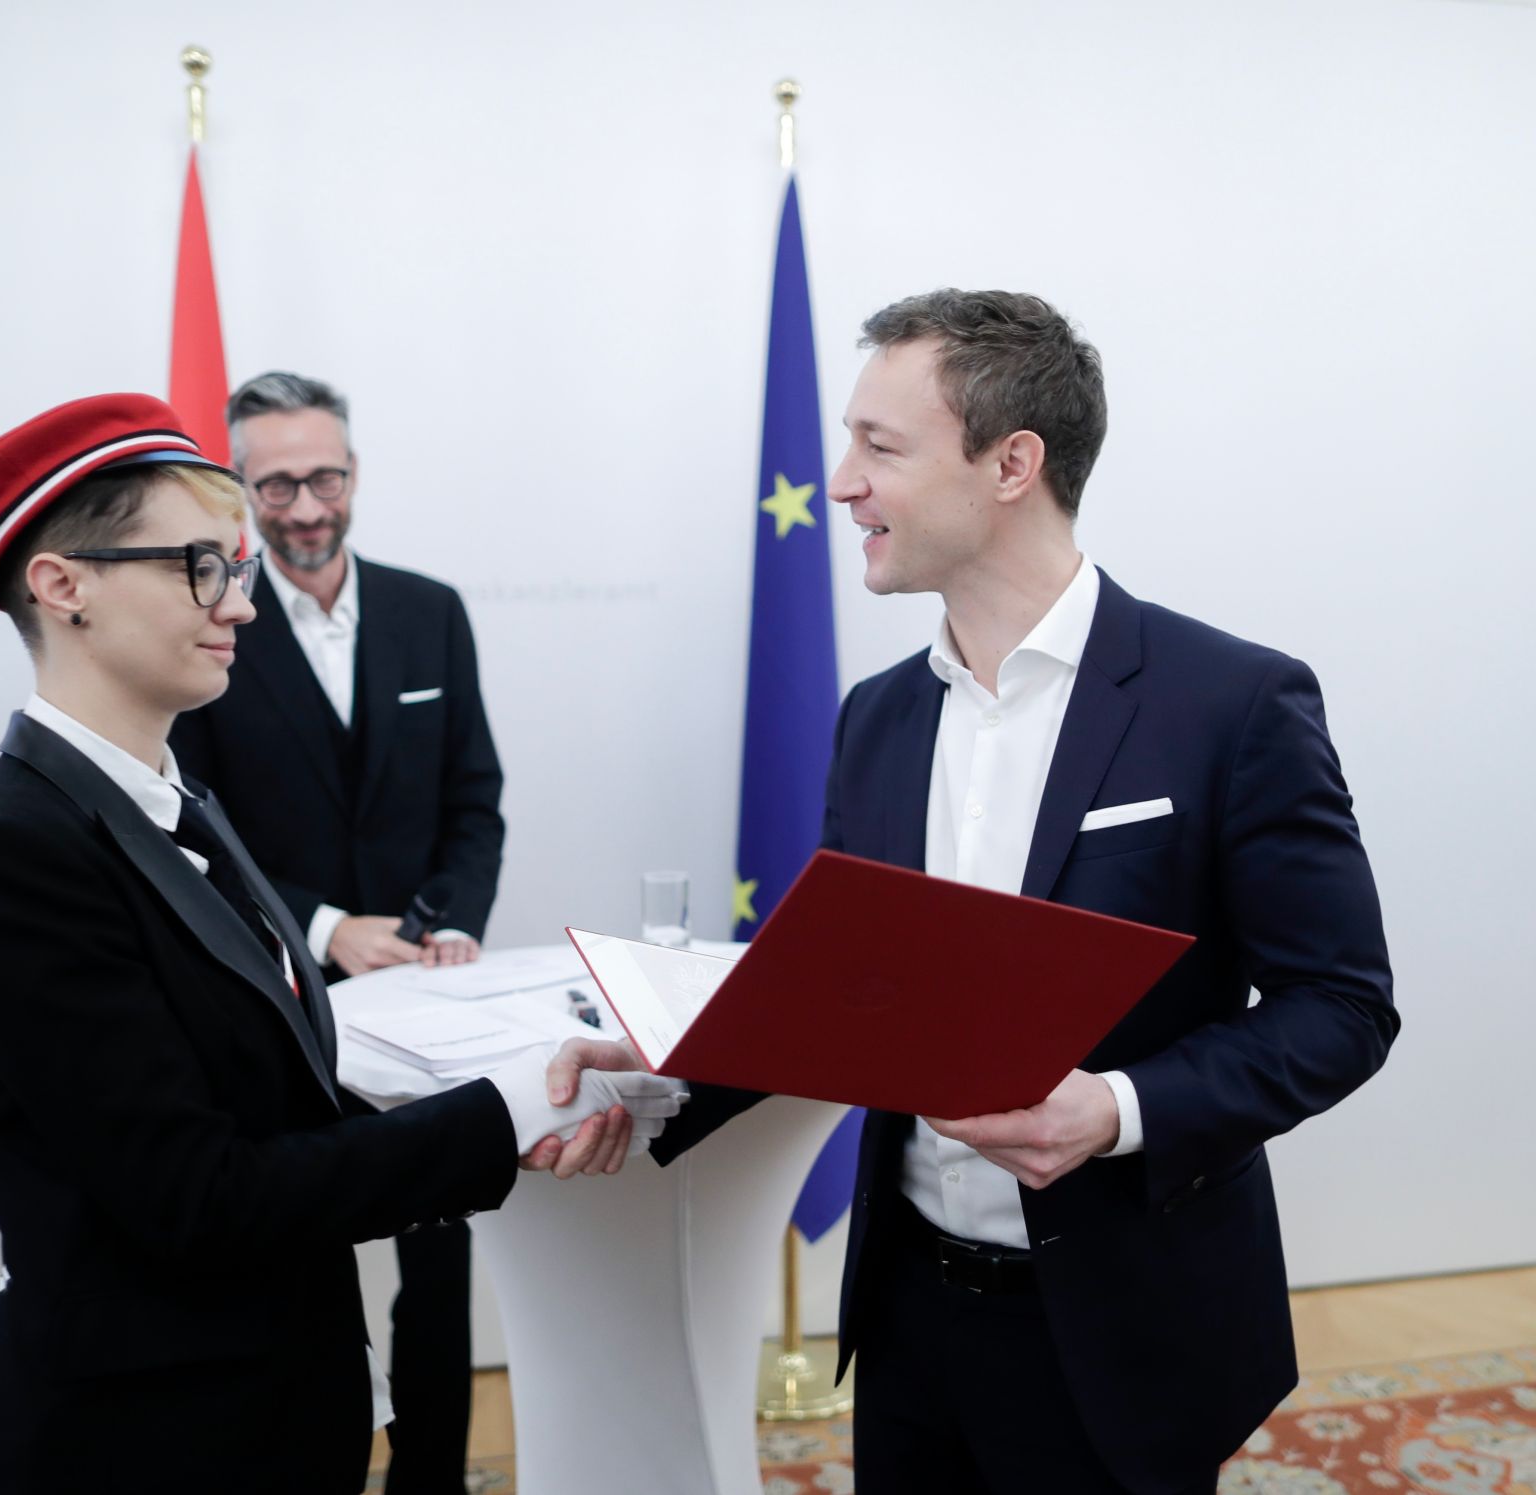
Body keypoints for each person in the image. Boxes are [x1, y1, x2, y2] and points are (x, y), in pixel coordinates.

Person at [552, 290, 1398, 1494]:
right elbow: (839, 1000)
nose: (842, 482)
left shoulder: (1230, 705)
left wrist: (1113, 1109)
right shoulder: (878, 718)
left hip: (1123, 1331)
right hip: (908, 1317)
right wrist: (652, 1078)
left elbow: (1339, 1006)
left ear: (1011, 463)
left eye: (878, 447)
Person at [0, 393, 681, 1495]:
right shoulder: (12, 852)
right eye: (199, 566)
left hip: (267, 1410)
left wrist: (519, 1089)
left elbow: (264, 1101)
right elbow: (199, 1196)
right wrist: (508, 1107)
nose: (243, 603)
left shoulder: (171, 804)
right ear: (62, 583)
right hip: (153, 1438)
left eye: (233, 567)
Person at [169, 370, 503, 1492]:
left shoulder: (430, 611)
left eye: (323, 478)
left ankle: (433, 1480)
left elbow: (474, 802)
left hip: (431, 1009)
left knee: (442, 1260)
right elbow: (199, 834)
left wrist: (444, 928)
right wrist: (325, 931)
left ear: (353, 476)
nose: (304, 507)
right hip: (279, 1006)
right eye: (275, 485)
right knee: (298, 1259)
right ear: (240, 492)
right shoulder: (207, 630)